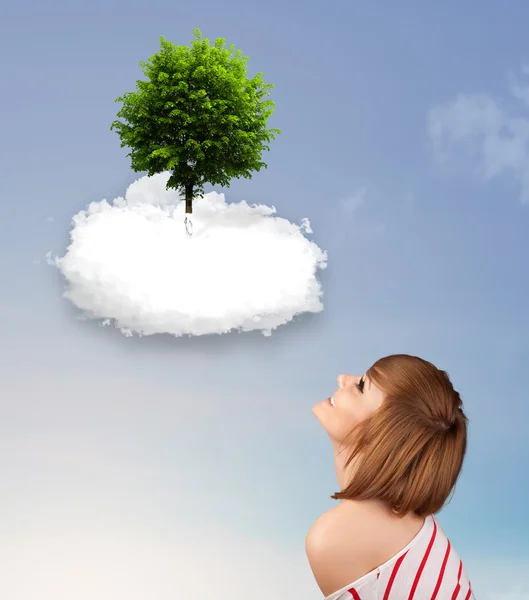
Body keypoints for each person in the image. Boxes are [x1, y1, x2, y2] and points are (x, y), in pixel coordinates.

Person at [307, 354, 475, 600]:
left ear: (384, 434)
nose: (343, 379)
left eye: (362, 387)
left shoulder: (333, 538)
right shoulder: (411, 522)